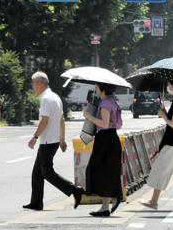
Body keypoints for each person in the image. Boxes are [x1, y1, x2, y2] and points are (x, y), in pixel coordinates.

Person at [23, 72, 83, 211]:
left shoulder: (46, 99)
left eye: (33, 84)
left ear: (40, 83)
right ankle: (36, 202)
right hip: (53, 141)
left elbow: (45, 121)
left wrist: (34, 137)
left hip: (47, 142)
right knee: (37, 173)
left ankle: (75, 190)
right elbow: (61, 120)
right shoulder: (55, 97)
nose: (32, 87)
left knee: (47, 173)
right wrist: (61, 139)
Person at [138, 81, 173, 210]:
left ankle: (154, 201)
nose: (168, 87)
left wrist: (163, 116)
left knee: (161, 170)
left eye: (169, 85)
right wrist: (166, 114)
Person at [83, 82, 124, 217]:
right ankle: (105, 207)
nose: (95, 88)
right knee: (107, 172)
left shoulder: (105, 104)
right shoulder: (112, 102)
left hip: (105, 139)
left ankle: (115, 196)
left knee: (97, 170)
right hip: (111, 138)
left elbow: (105, 124)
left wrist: (89, 117)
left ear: (102, 89)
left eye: (97, 86)